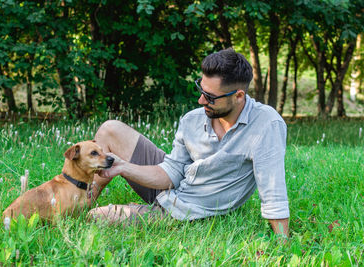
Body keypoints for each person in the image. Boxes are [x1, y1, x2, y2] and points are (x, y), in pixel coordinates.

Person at [88, 48, 289, 236]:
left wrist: (283, 244)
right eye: (201, 90)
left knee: (98, 217)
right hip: (172, 187)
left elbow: (273, 191)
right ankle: (82, 201)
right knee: (109, 130)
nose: (201, 100)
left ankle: (136, 212)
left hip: (190, 211)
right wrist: (123, 167)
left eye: (210, 97)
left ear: (238, 96)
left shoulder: (265, 124)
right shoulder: (193, 119)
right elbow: (170, 173)